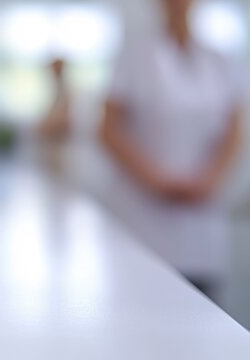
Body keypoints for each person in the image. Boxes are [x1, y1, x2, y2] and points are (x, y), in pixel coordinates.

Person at [100, 0, 245, 288]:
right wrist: (157, 181)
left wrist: (210, 180)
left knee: (203, 314)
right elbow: (108, 130)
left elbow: (235, 130)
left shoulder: (218, 59)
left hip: (203, 216)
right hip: (145, 212)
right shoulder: (134, 57)